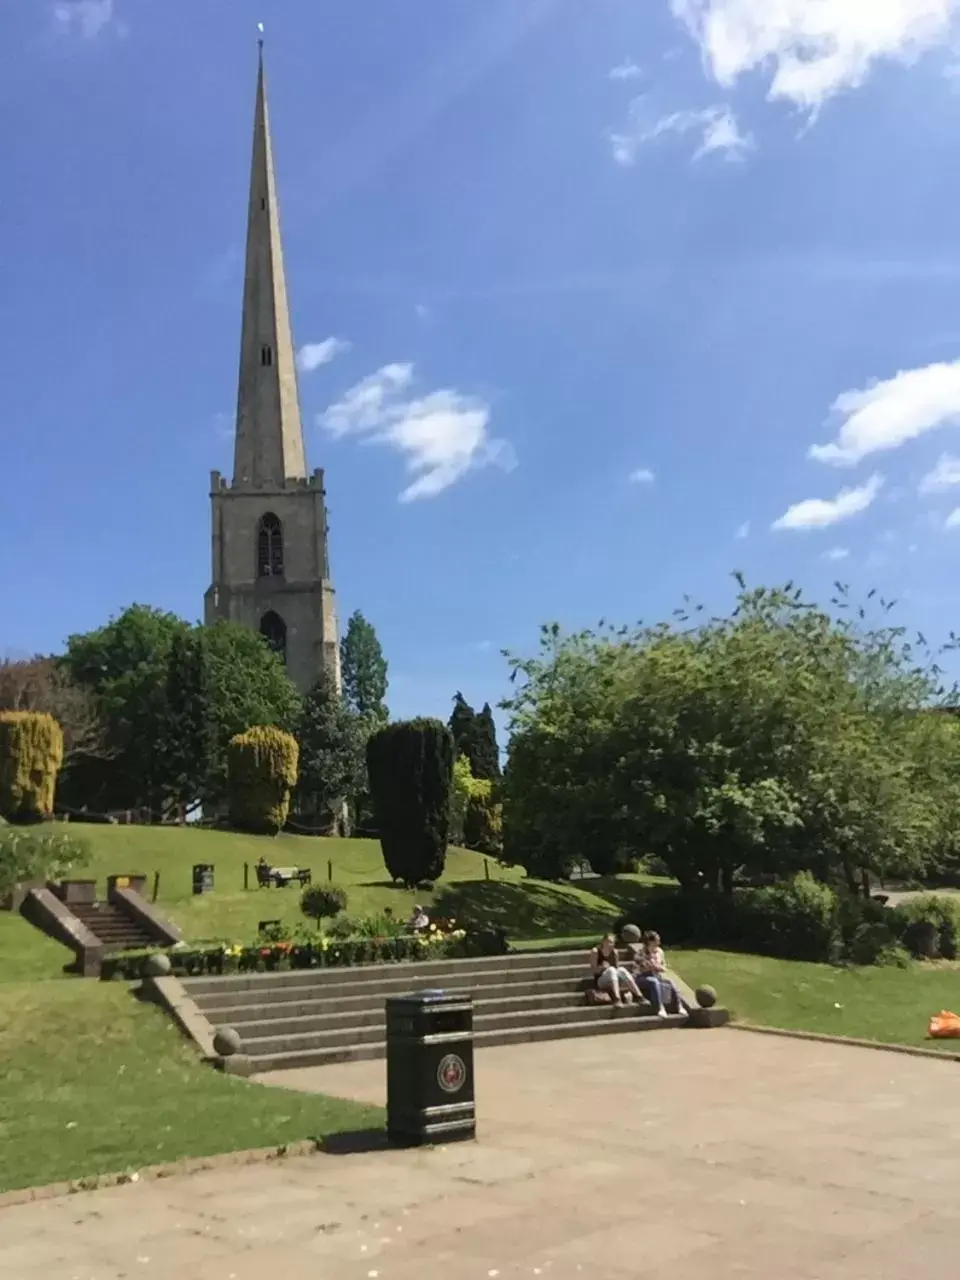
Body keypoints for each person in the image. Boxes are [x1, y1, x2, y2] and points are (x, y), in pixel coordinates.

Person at [633, 930, 684, 1018]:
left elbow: (664, 967)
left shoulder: (660, 952)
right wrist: (648, 966)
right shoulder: (640, 953)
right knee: (654, 982)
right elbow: (638, 969)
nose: (659, 943)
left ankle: (680, 1006)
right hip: (641, 977)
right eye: (657, 941)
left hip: (656, 975)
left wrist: (658, 967)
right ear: (650, 942)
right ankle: (660, 1007)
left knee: (670, 982)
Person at [589, 934, 644, 1007]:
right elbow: (593, 970)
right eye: (607, 941)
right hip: (601, 980)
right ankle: (617, 999)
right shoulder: (596, 951)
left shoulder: (615, 952)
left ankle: (639, 996)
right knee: (611, 970)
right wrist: (602, 967)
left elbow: (617, 969)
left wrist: (625, 980)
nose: (609, 944)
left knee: (622, 970)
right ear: (603, 942)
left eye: (612, 942)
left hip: (614, 979)